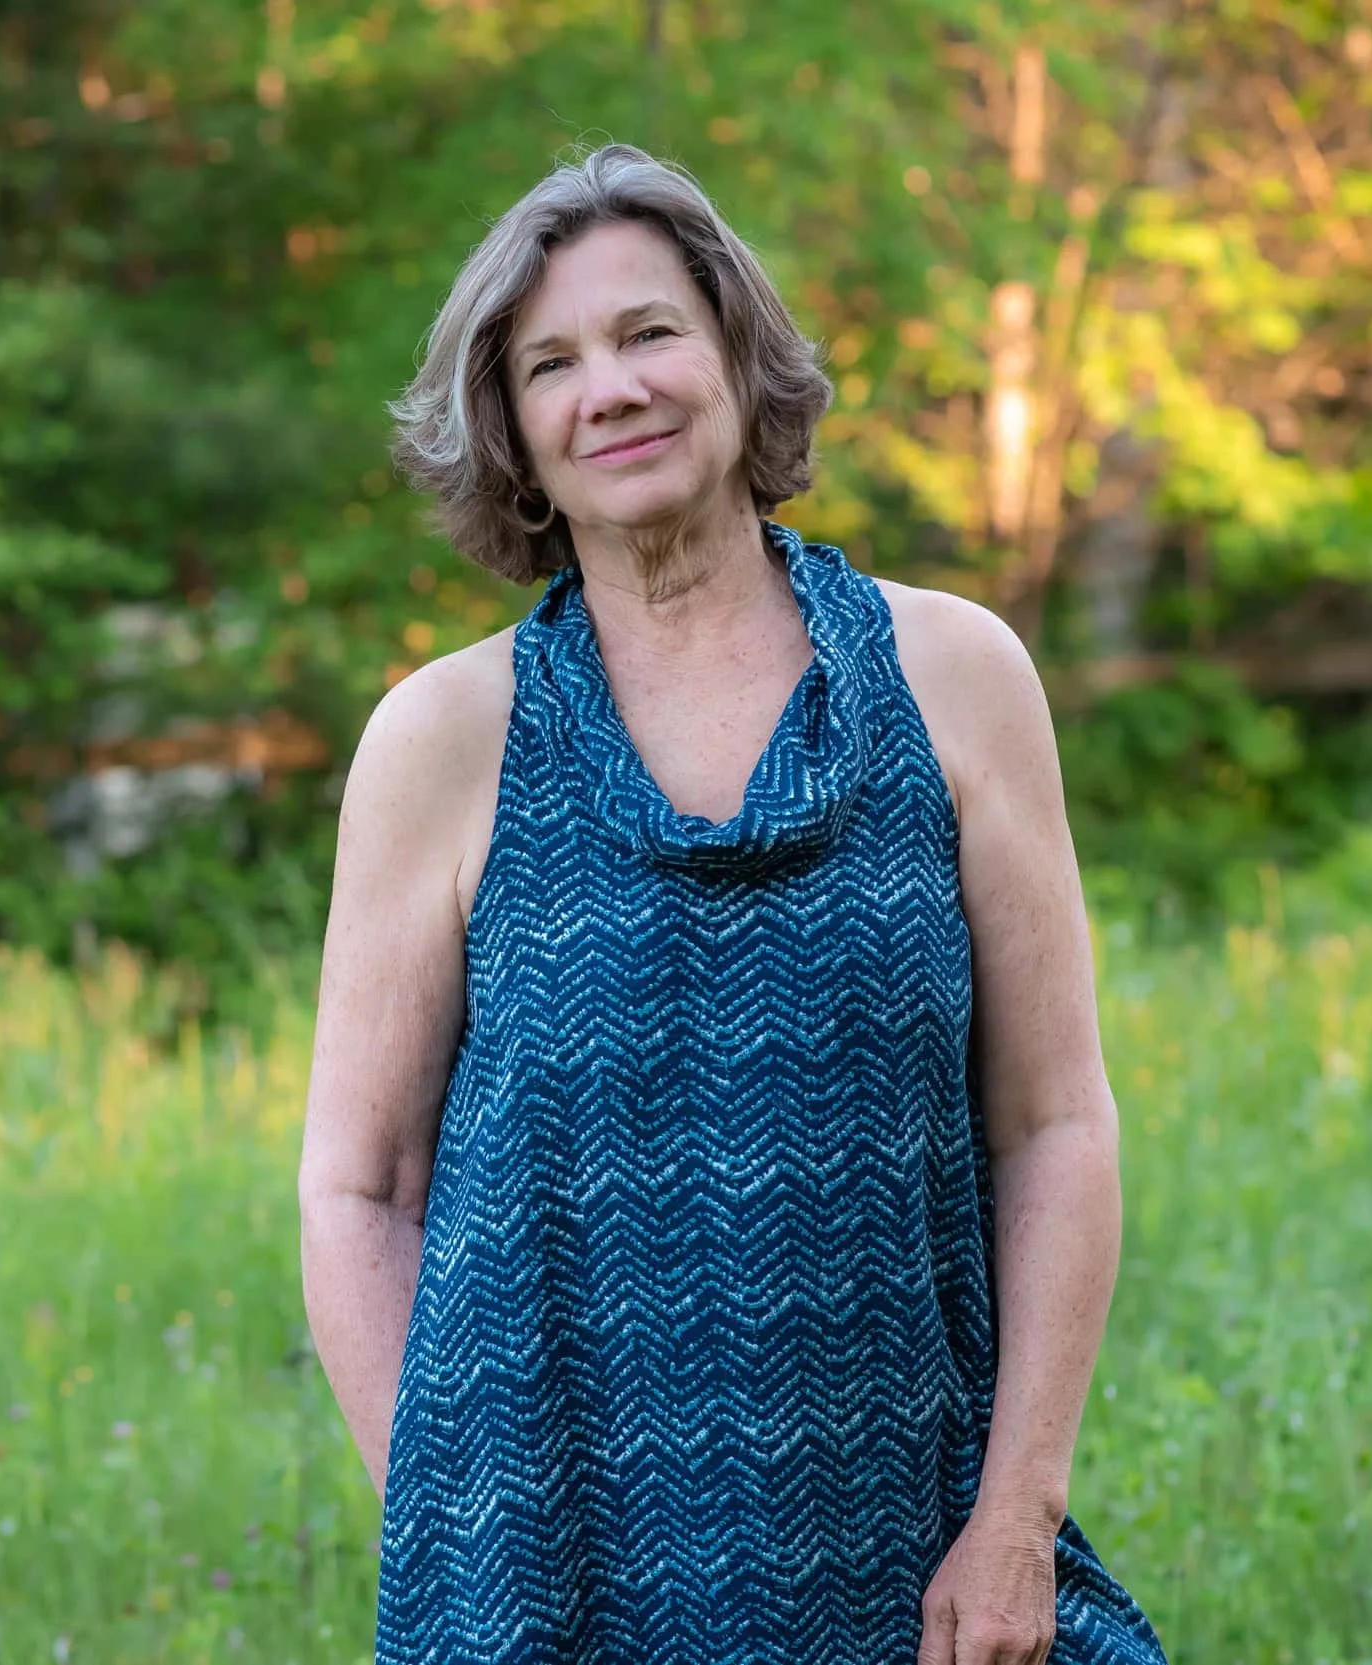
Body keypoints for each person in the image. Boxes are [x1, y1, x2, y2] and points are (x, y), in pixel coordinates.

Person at [295, 143, 1170, 1665]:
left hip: (921, 1563)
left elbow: (1055, 1122)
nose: (609, 389)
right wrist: (459, 1535)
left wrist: (1018, 1513)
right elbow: (359, 1185)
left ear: (734, 358)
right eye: (550, 362)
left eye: (647, 334)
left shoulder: (955, 678)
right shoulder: (442, 741)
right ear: (510, 431)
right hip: (551, 1582)